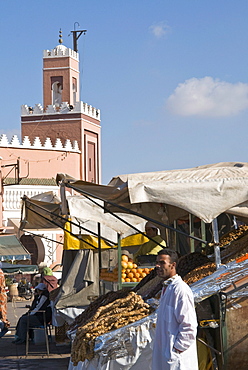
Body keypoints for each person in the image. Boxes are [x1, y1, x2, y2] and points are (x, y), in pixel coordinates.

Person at [152, 249, 198, 370]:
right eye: (157, 263)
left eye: (162, 263)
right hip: (166, 355)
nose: (158, 266)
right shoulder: (167, 288)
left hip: (177, 358)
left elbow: (189, 325)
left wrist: (176, 349)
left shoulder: (181, 290)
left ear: (173, 265)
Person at [0, 261, 10, 338]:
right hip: (2, 295)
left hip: (1, 296)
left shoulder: (0, 273)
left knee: (2, 312)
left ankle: (5, 326)